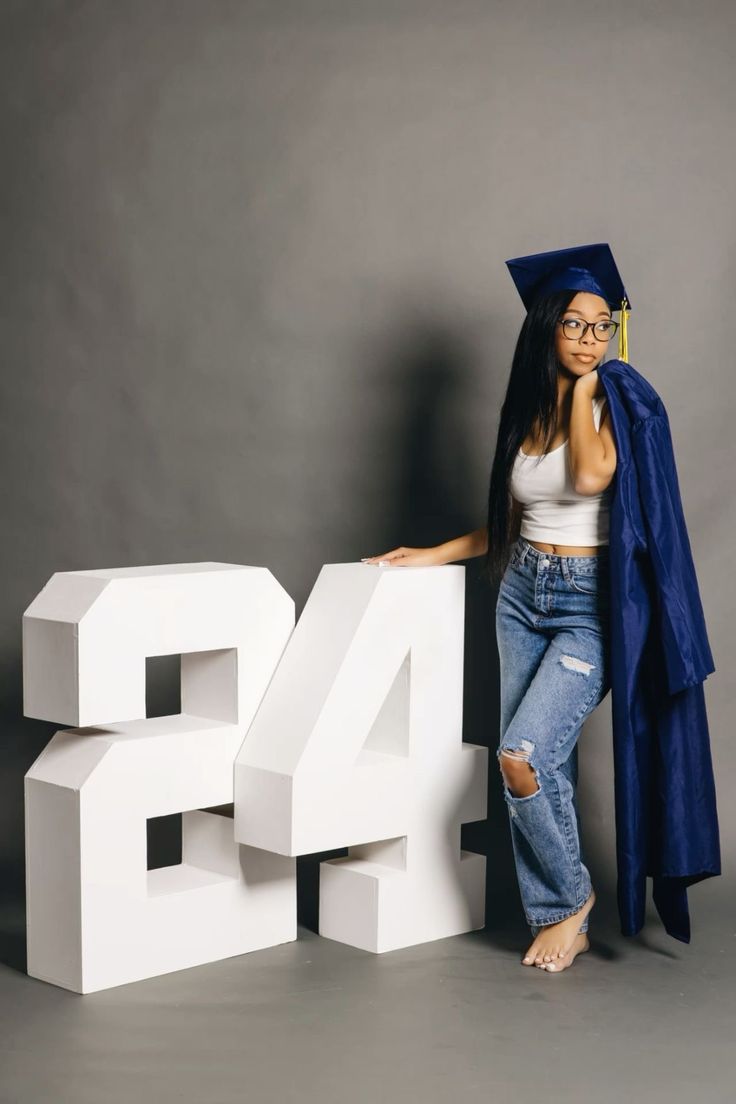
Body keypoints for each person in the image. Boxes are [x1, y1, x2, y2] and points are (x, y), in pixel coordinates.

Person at [362, 243, 631, 974]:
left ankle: (568, 903)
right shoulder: (525, 411)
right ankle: (560, 913)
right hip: (519, 595)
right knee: (546, 765)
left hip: (586, 607)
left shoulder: (614, 403)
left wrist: (584, 390)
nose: (588, 339)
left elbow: (591, 472)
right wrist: (433, 553)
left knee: (523, 755)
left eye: (601, 325)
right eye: (573, 325)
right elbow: (511, 521)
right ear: (546, 329)